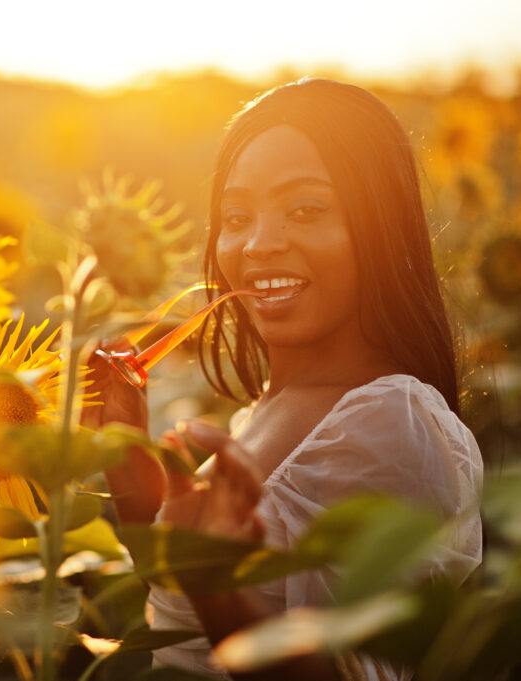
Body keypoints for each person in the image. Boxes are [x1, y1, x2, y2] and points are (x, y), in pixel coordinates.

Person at [82, 78, 484, 681]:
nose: (258, 244)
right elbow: (183, 618)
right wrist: (134, 476)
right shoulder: (266, 410)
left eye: (305, 210)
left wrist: (220, 590)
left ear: (380, 225)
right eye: (236, 216)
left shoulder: (389, 428)